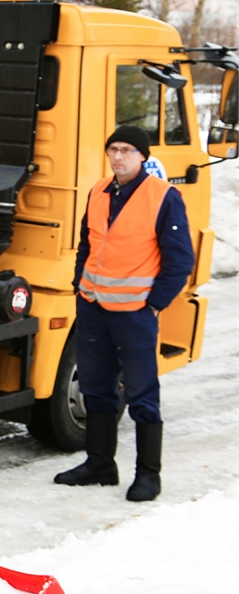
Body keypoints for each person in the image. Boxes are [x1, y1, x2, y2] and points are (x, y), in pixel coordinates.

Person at [55, 124, 194, 502]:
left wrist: (154, 303)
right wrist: (79, 285)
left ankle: (149, 476)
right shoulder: (98, 191)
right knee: (96, 389)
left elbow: (180, 259)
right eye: (113, 149)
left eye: (127, 150)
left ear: (143, 156)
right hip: (94, 307)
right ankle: (100, 464)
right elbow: (87, 243)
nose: (118, 157)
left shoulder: (163, 197)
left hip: (134, 314)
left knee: (141, 394)